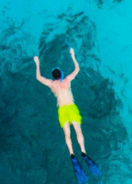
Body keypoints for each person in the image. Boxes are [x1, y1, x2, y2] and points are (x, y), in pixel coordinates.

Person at [34, 48, 101, 183]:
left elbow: (38, 77)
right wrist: (73, 55)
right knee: (78, 131)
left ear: (54, 76)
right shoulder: (67, 80)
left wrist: (37, 63)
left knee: (67, 135)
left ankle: (72, 155)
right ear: (62, 75)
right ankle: (83, 152)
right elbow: (77, 69)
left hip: (62, 110)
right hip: (71, 107)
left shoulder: (52, 84)